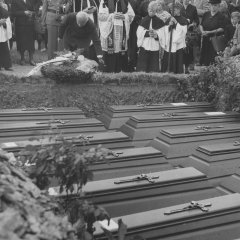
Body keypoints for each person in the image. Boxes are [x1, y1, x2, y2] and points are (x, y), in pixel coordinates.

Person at [99, 0, 135, 73]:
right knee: (110, 52)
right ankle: (108, 72)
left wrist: (124, 16)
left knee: (120, 51)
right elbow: (100, 17)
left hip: (121, 30)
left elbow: (131, 16)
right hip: (110, 29)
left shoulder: (125, 2)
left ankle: (119, 72)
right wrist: (112, 15)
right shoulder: (104, 1)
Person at [159, 2, 188, 74]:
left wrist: (176, 23)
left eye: (174, 10)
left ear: (179, 10)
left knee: (177, 62)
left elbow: (183, 32)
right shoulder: (169, 19)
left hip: (178, 45)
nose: (172, 12)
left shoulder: (183, 20)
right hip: (169, 44)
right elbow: (164, 30)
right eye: (171, 10)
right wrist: (169, 25)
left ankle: (177, 76)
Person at [136, 1, 164, 72]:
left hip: (154, 46)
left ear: (156, 11)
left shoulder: (160, 22)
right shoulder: (143, 20)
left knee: (153, 67)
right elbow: (138, 33)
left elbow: (162, 33)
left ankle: (154, 79)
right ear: (148, 10)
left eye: (153, 10)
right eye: (150, 10)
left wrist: (156, 35)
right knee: (143, 67)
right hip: (145, 45)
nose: (151, 12)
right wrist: (147, 33)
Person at [200, 0, 226, 66]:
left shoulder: (221, 16)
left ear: (218, 6)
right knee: (205, 61)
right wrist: (202, 31)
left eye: (215, 5)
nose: (213, 7)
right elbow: (201, 24)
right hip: (205, 40)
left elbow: (222, 29)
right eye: (211, 5)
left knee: (213, 61)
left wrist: (210, 32)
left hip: (215, 41)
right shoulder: (206, 14)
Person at [11, 0, 36, 65]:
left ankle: (31, 59)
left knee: (31, 42)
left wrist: (31, 13)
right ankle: (22, 58)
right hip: (20, 25)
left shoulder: (30, 1)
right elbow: (13, 13)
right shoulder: (15, 1)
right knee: (21, 42)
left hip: (30, 24)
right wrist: (24, 12)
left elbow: (33, 10)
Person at [181, 0, 199, 73]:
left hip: (190, 32)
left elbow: (197, 20)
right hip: (180, 31)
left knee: (189, 48)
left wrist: (193, 24)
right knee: (182, 48)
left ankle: (189, 64)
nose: (186, 1)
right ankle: (181, 65)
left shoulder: (193, 8)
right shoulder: (179, 7)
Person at [0, 2, 12, 70]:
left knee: (4, 49)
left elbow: (8, 22)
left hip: (1, 34)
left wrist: (4, 23)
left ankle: (6, 65)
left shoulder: (3, 11)